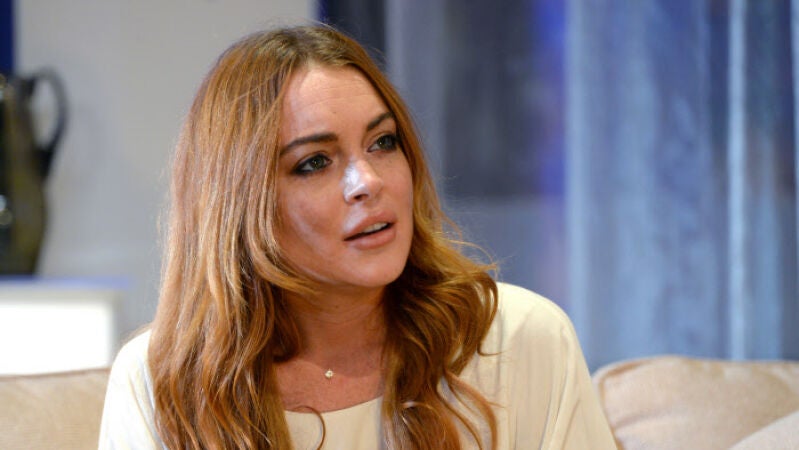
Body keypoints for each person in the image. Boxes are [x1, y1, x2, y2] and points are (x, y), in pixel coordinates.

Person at [98, 25, 616, 450]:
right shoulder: (159, 380)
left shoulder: (521, 340)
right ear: (239, 203)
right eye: (314, 163)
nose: (367, 181)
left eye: (383, 142)